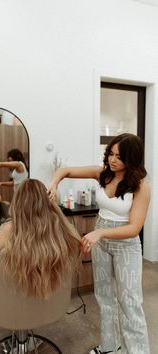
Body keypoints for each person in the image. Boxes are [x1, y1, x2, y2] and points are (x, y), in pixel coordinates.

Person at [48, 133, 150, 354]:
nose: (112, 160)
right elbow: (64, 171)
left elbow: (134, 228)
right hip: (101, 243)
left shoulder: (141, 186)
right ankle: (109, 347)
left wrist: (100, 233)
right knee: (104, 298)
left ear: (132, 159)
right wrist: (54, 183)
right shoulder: (102, 174)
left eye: (119, 157)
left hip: (126, 246)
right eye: (111, 154)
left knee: (130, 304)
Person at [0, 178, 81, 299]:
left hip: (15, 298)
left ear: (18, 202)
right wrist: (54, 206)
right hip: (49, 301)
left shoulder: (9, 229)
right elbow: (76, 244)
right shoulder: (58, 227)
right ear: (46, 200)